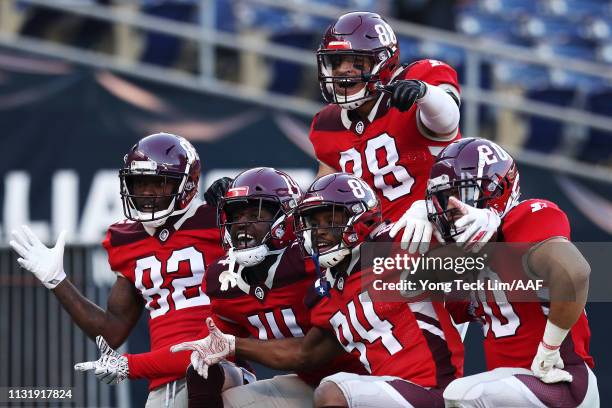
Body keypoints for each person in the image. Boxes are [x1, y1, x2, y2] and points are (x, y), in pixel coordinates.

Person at [174, 173, 465, 408]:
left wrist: (429, 212)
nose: (320, 231)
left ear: (361, 219)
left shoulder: (397, 245)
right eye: (313, 222)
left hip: (433, 392)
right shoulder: (326, 288)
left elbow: (495, 271)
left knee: (333, 391)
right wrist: (233, 345)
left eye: (331, 221)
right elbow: (304, 353)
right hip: (376, 393)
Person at [9, 133, 227, 407]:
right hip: (162, 382)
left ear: (188, 185)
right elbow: (112, 330)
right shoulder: (127, 238)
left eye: (157, 183)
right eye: (139, 182)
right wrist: (57, 281)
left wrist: (234, 203)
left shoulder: (217, 220)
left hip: (219, 371)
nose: (146, 193)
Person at [423, 138, 599, 407]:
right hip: (515, 388)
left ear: (498, 191)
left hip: (559, 379)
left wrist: (549, 350)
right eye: (446, 199)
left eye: (464, 195)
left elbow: (575, 273)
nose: (452, 210)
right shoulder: (465, 258)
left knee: (462, 395)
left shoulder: (525, 218)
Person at [171, 167, 364, 408]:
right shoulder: (222, 278)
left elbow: (306, 353)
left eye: (255, 214)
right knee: (200, 372)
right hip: (311, 382)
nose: (242, 224)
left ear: (287, 217)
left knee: (331, 393)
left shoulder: (319, 259)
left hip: (365, 377)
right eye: (237, 215)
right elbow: (216, 342)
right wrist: (220, 349)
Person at [308, 11, 489, 255]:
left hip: (439, 227)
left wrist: (425, 93)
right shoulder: (326, 123)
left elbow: (449, 120)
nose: (342, 70)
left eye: (356, 61)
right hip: (373, 249)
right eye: (337, 61)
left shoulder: (419, 81)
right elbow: (325, 192)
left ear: (383, 62)